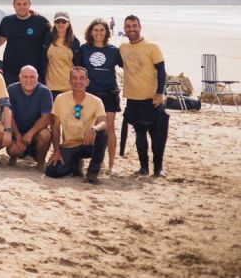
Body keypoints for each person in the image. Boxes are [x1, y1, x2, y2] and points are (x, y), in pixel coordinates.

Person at [119, 15, 169, 177]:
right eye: (128, 26)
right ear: (124, 29)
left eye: (134, 26)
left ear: (140, 27)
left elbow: (162, 72)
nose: (131, 29)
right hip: (133, 99)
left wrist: (159, 93)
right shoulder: (123, 48)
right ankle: (143, 167)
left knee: (157, 136)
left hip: (151, 99)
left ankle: (158, 168)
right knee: (140, 135)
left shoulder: (152, 47)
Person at [46, 67, 108, 184]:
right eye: (74, 78)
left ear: (87, 82)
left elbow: (104, 122)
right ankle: (74, 165)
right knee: (52, 171)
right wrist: (56, 151)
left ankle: (92, 173)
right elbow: (55, 127)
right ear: (69, 81)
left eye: (81, 78)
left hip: (87, 143)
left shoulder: (96, 101)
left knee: (103, 134)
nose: (78, 81)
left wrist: (94, 128)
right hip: (69, 145)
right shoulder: (60, 99)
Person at [80, 18, 122, 173]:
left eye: (101, 30)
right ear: (91, 32)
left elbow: (129, 66)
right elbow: (77, 69)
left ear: (107, 32)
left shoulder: (114, 51)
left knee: (109, 127)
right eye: (95, 30)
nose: (98, 33)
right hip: (90, 93)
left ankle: (111, 164)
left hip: (109, 92)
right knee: (91, 127)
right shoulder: (84, 49)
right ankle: (97, 160)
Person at [5, 65, 54, 170]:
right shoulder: (11, 89)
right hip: (16, 133)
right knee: (14, 150)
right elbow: (9, 115)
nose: (28, 80)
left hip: (35, 134)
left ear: (37, 78)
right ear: (19, 77)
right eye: (25, 77)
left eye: (32, 77)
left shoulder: (45, 91)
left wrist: (30, 134)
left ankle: (40, 162)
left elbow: (46, 118)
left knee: (45, 134)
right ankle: (13, 157)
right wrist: (18, 136)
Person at [0, 0, 51, 86]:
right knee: (11, 100)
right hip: (11, 72)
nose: (22, 7)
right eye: (18, 4)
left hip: (34, 73)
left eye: (25, 4)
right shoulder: (7, 21)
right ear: (13, 5)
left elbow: (55, 39)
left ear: (30, 4)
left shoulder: (41, 22)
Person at [42, 11, 82, 99]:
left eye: (63, 21)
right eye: (57, 21)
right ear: (54, 23)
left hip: (69, 87)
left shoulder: (74, 41)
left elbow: (78, 65)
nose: (60, 24)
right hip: (49, 87)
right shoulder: (47, 37)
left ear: (68, 23)